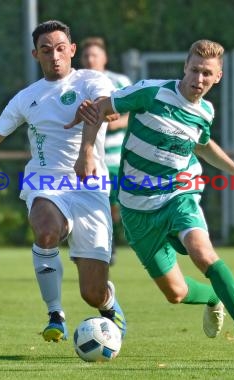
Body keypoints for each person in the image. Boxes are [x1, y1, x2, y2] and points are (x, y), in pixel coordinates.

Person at [67, 39, 234, 358]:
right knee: (176, 293)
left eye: (207, 74)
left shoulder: (205, 111)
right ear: (184, 68)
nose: (198, 80)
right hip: (136, 208)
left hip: (178, 193)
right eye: (195, 70)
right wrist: (87, 152)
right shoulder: (152, 92)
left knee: (203, 253)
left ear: (219, 77)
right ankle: (213, 297)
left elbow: (201, 144)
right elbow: (100, 108)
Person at [0, 20, 126, 343]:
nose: (54, 56)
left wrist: (88, 147)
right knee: (45, 230)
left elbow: (107, 110)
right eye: (46, 50)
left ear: (72, 50)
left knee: (92, 292)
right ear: (36, 54)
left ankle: (108, 302)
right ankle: (55, 313)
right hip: (46, 183)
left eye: (60, 49)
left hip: (90, 187)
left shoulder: (91, 80)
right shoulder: (26, 98)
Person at [80, 37, 132, 265]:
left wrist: (117, 123)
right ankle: (96, 247)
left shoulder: (119, 81)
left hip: (114, 156)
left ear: (104, 58)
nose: (91, 59)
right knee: (90, 203)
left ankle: (109, 243)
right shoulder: (76, 82)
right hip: (86, 155)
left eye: (95, 55)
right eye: (87, 56)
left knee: (113, 205)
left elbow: (136, 112)